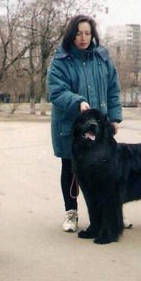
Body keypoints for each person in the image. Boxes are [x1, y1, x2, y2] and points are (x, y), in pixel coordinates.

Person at [47, 14, 131, 232]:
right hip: (72, 126)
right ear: (71, 34)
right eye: (78, 33)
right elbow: (56, 91)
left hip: (99, 127)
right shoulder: (60, 60)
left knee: (106, 170)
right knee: (70, 167)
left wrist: (114, 118)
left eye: (87, 33)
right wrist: (78, 102)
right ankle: (71, 213)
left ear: (92, 34)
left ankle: (109, 214)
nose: (83, 38)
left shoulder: (102, 58)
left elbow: (113, 89)